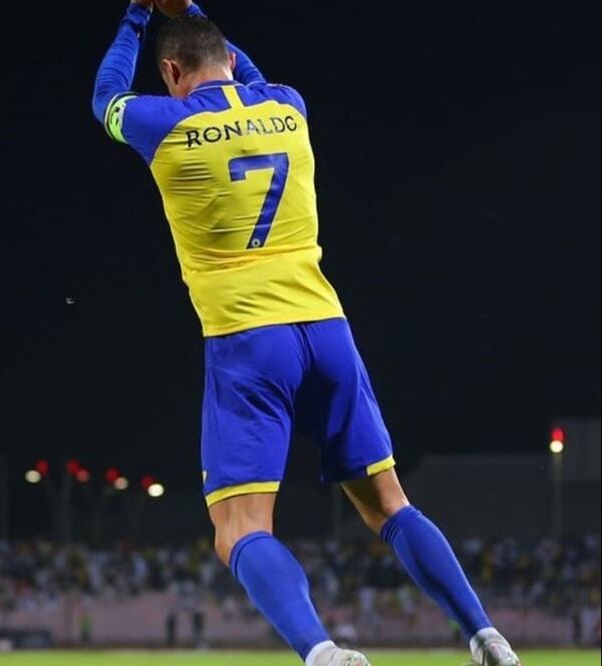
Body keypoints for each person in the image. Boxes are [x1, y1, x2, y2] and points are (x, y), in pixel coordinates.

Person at [91, 3, 521, 665]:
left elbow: (106, 98)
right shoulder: (288, 106)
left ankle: (320, 652)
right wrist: (190, 10)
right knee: (389, 504)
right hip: (326, 330)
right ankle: (486, 636)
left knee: (238, 529)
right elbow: (248, 74)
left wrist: (137, 14)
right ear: (228, 60)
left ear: (172, 72)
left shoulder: (165, 124)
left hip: (247, 339)